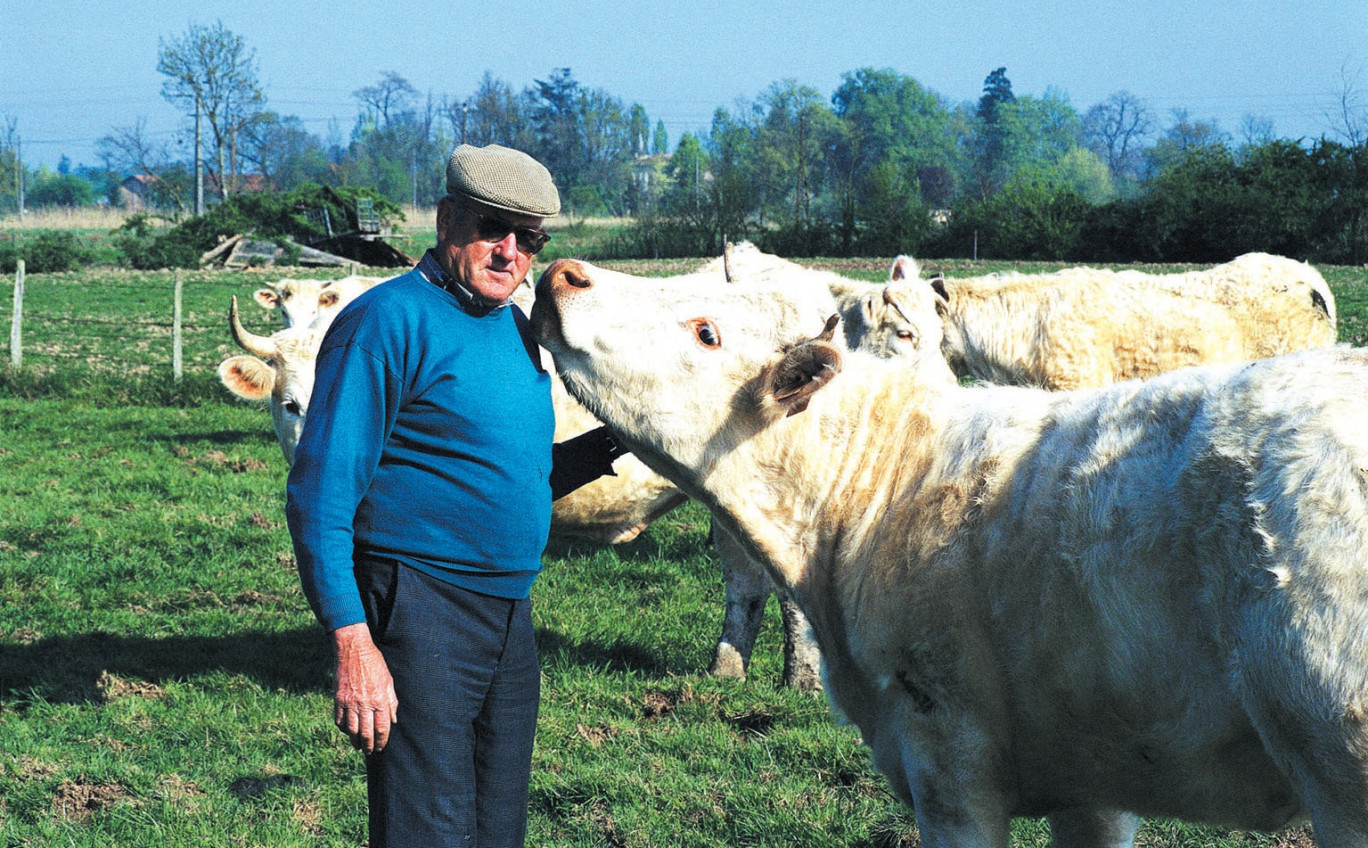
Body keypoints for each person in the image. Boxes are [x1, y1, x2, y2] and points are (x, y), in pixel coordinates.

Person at [285, 143, 625, 847]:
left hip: (509, 617)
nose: (508, 253)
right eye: (491, 230)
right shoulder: (387, 322)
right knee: (427, 829)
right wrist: (353, 641)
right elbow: (319, 497)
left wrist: (619, 440)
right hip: (420, 606)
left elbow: (513, 476)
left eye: (526, 239)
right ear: (446, 221)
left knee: (496, 827)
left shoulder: (513, 328)